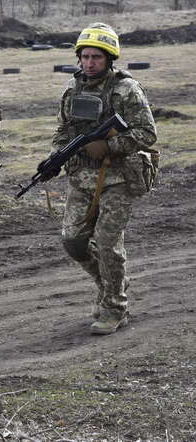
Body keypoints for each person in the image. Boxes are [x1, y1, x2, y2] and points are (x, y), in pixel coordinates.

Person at [51, 23, 157, 335]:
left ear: (109, 58)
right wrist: (56, 155)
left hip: (118, 178)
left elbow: (148, 133)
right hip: (81, 179)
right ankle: (111, 282)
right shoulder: (72, 91)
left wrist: (109, 145)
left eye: (96, 57)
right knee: (73, 242)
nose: (89, 62)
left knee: (108, 244)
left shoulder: (126, 90)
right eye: (84, 56)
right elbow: (63, 131)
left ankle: (114, 306)